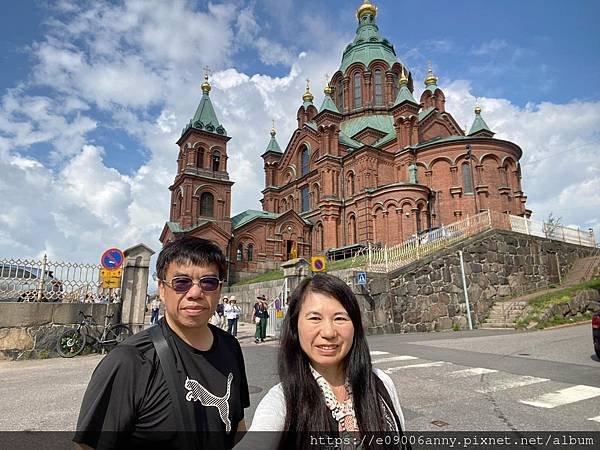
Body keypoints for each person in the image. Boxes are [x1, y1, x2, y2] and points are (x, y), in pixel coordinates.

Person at [74, 236, 250, 450]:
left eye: (208, 282)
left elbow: (237, 426)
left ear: (219, 289)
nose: (195, 293)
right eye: (181, 282)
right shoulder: (130, 361)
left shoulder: (230, 346)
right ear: (162, 288)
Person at [246, 273, 408, 450]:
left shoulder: (381, 383)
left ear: (355, 326)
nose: (329, 332)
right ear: (295, 326)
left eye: (340, 318)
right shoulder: (282, 401)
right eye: (315, 318)